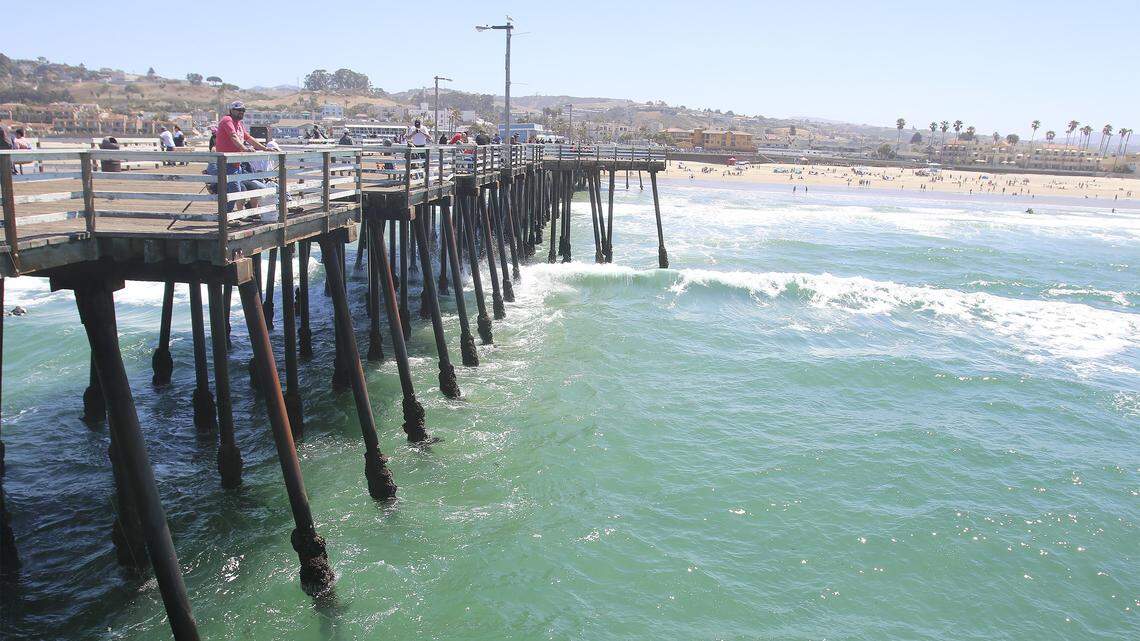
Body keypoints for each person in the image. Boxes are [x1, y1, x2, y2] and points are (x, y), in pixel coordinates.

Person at [214, 100, 273, 213]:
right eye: (238, 110)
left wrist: (264, 148)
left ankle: (227, 214)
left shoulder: (239, 124)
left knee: (238, 190)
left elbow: (249, 138)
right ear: (231, 110)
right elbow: (233, 136)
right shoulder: (227, 120)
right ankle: (225, 215)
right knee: (235, 190)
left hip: (237, 163)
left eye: (243, 110)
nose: (241, 112)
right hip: (227, 162)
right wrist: (244, 148)